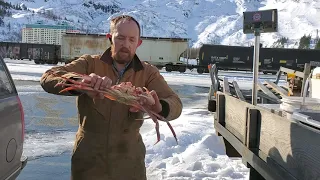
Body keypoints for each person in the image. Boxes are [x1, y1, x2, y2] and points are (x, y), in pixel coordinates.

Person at [40, 15, 183, 180]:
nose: (126, 44)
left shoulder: (148, 73)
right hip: (88, 161)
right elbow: (48, 77)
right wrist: (82, 82)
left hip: (130, 161)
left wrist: (158, 107)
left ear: (138, 43)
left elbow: (175, 103)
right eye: (120, 38)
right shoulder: (89, 63)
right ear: (110, 38)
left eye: (131, 39)